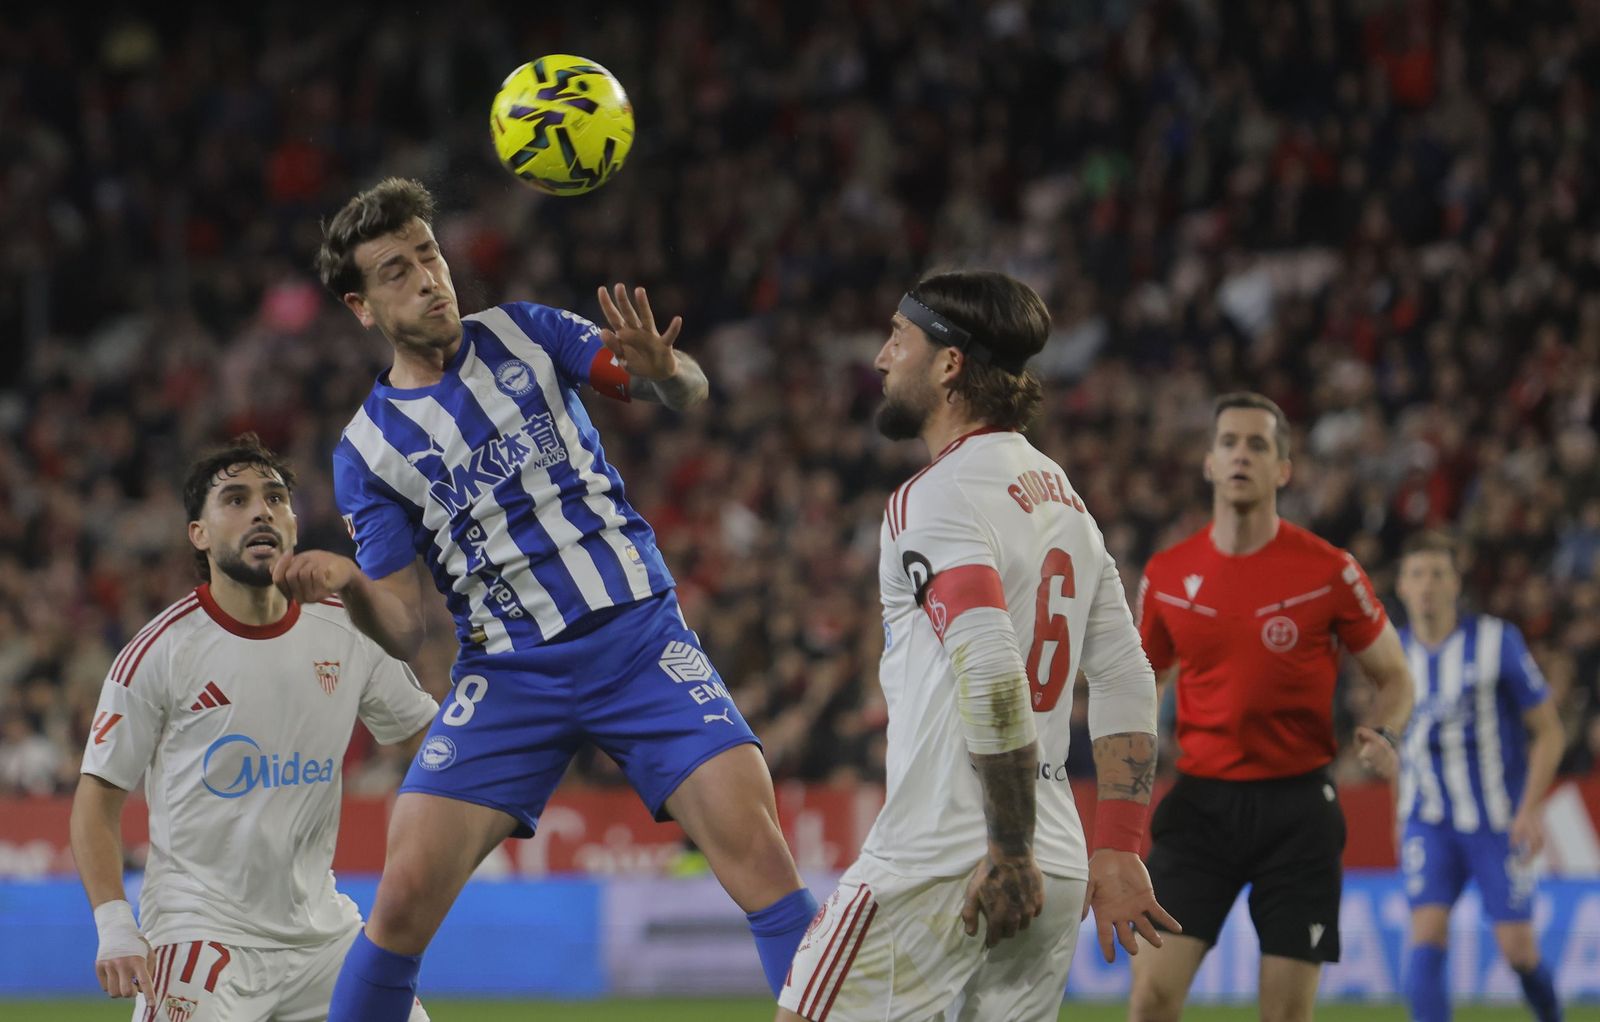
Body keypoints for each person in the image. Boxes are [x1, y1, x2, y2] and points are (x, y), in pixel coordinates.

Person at [296, 177, 816, 1020]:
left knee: (760, 855)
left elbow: (677, 388)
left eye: (429, 254)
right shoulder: (367, 451)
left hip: (639, 640)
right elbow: (399, 623)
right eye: (396, 270)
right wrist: (353, 586)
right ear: (362, 307)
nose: (428, 277)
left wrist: (670, 373)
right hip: (506, 677)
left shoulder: (526, 332)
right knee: (400, 899)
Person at [777, 270, 1178, 1022]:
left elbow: (992, 672)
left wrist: (1007, 850)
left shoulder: (936, 497)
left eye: (898, 338)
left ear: (949, 363)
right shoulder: (1067, 499)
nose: (880, 358)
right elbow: (1126, 675)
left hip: (949, 858)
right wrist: (1118, 844)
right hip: (1055, 865)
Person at [70, 434, 438, 1022]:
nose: (261, 510)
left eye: (274, 497)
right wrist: (115, 923)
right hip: (198, 933)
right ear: (199, 534)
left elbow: (432, 742)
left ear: (293, 523)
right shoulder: (160, 651)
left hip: (322, 938)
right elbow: (97, 798)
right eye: (235, 500)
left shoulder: (348, 631)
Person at [1129, 392, 1416, 1022]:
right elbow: (1144, 680)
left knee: (1284, 1015)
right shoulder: (1168, 575)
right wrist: (1135, 744)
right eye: (1228, 442)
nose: (1241, 454)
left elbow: (1395, 676)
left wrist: (1387, 735)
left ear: (1283, 469)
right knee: (1150, 999)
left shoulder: (1330, 572)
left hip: (1298, 813)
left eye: (1258, 444)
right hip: (1200, 807)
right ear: (1208, 463)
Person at [1394, 530, 1565, 1022]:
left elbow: (1549, 732)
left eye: (1438, 574)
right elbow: (1396, 749)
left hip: (1496, 821)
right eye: (1418, 574)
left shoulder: (1497, 642)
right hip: (1428, 820)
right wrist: (1396, 816)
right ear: (1402, 585)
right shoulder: (1393, 656)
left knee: (1518, 950)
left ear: (1456, 583)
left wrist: (1529, 809)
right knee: (1425, 937)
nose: (1427, 585)